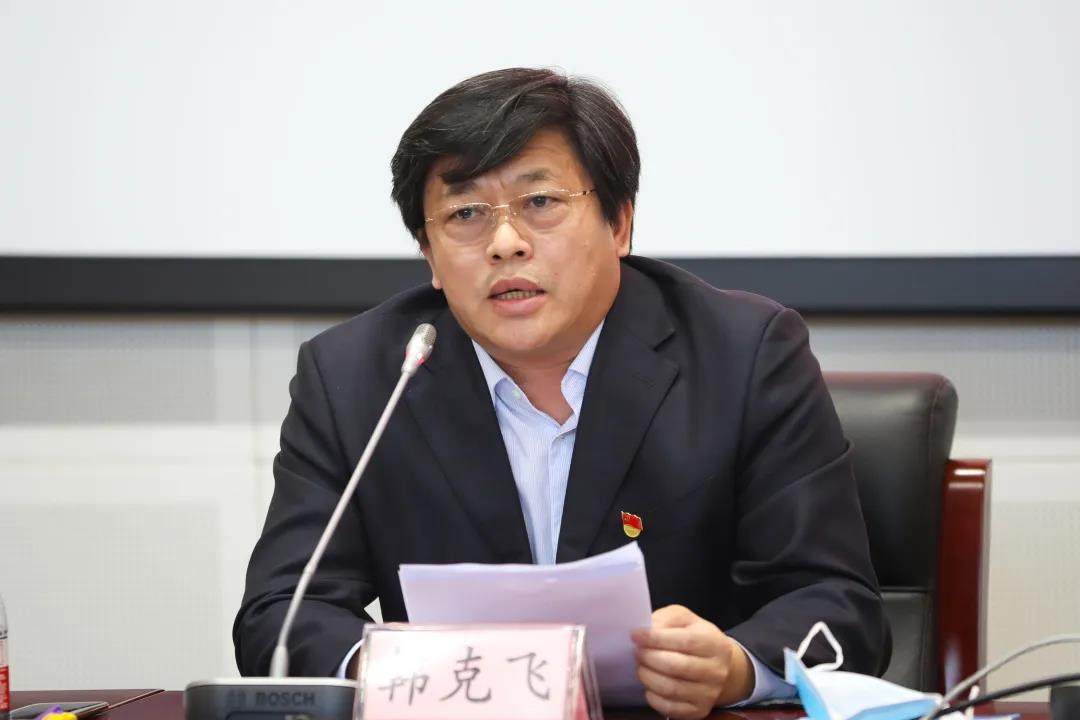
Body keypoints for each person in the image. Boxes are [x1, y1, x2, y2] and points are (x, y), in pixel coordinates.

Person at [234, 67, 890, 719]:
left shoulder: (744, 354)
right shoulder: (357, 379)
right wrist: (390, 672)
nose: (505, 244)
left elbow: (838, 603)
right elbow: (280, 613)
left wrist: (736, 666)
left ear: (619, 223)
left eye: (541, 203)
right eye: (465, 214)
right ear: (429, 255)